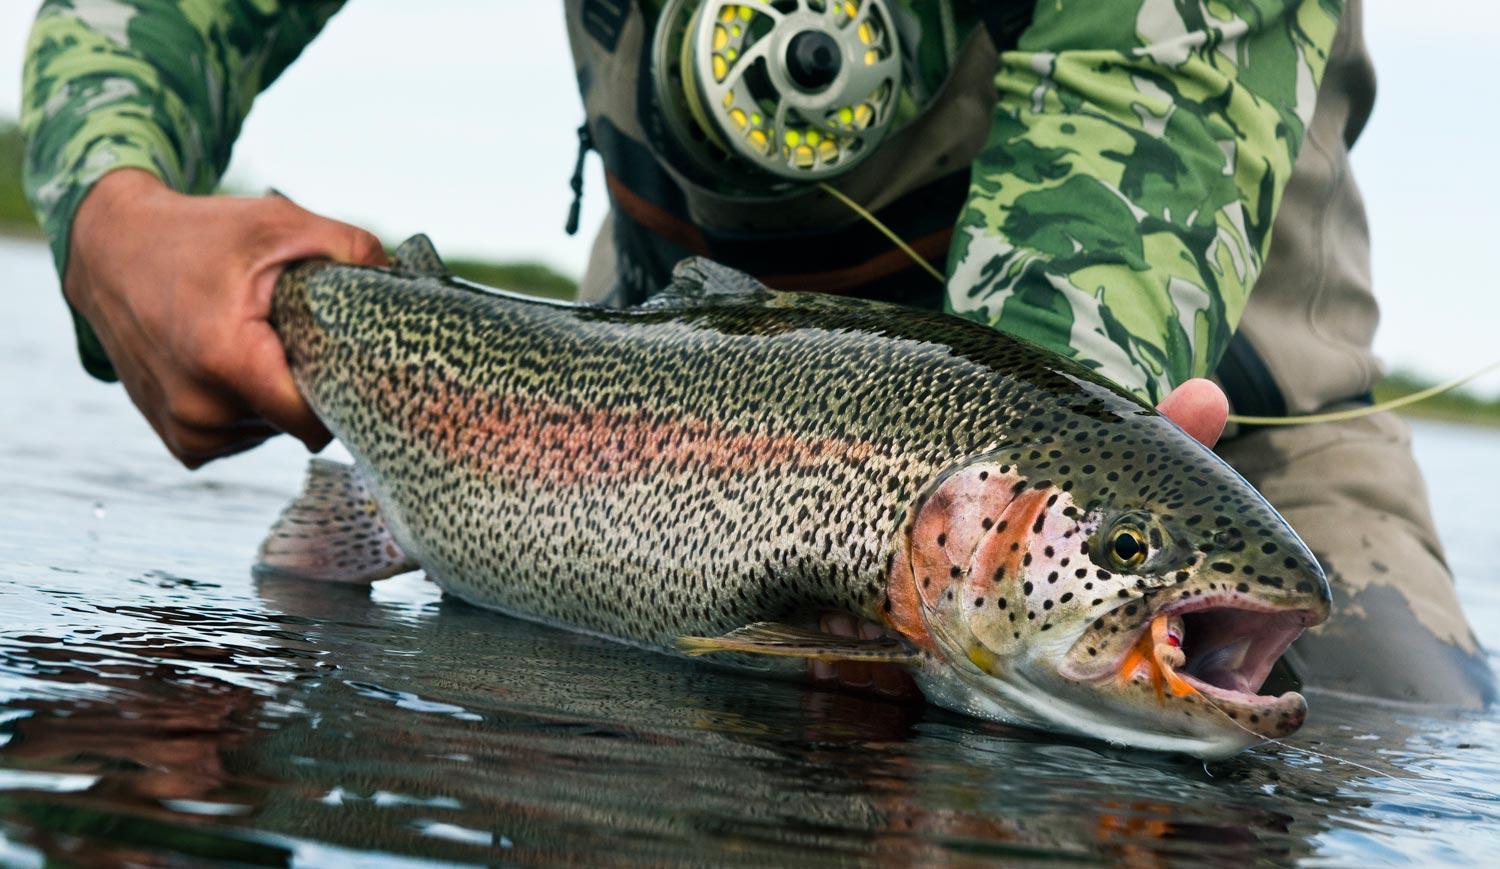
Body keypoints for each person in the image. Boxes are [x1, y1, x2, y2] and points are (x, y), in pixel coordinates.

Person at [20, 0, 1492, 706]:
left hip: (1204, 441)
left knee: (1348, 762)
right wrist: (110, 210)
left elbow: (1034, 414)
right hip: (627, 393)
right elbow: (151, 24)